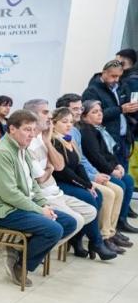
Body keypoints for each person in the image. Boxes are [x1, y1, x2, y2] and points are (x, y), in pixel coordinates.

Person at [0, 110, 78, 286]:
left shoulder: (21, 148)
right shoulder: (1, 153)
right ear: (12, 129)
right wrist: (40, 210)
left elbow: (33, 184)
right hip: (3, 211)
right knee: (54, 230)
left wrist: (44, 204)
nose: (32, 134)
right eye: (27, 129)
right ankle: (21, 265)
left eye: (34, 130)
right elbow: (9, 194)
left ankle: (18, 252)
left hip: (20, 206)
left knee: (69, 222)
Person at [23, 99, 97, 252]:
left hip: (56, 192)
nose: (49, 115)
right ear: (32, 116)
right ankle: (28, 252)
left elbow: (59, 165)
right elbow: (41, 178)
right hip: (44, 196)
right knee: (76, 220)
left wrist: (47, 143)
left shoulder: (42, 139)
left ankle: (36, 247)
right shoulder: (27, 143)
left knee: (91, 212)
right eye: (45, 112)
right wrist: (49, 168)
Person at [50, 108, 118, 260]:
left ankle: (78, 238)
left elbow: (79, 165)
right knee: (88, 198)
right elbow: (64, 172)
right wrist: (84, 185)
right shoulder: (54, 141)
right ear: (54, 123)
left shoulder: (70, 139)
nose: (69, 125)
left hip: (73, 180)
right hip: (59, 182)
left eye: (71, 122)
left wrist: (89, 184)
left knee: (98, 195)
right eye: (64, 122)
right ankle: (96, 242)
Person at [78, 99, 137, 236]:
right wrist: (111, 171)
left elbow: (107, 153)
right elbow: (95, 157)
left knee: (128, 180)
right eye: (94, 112)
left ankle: (117, 223)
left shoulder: (98, 129)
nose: (100, 114)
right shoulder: (86, 131)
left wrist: (117, 165)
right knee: (121, 184)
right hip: (96, 170)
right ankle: (107, 229)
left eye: (100, 111)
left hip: (104, 167)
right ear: (85, 116)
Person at [82, 59, 138, 167]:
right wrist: (121, 109)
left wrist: (132, 107)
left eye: (119, 76)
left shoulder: (121, 86)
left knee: (124, 173)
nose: (116, 79)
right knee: (114, 173)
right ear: (104, 72)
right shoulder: (92, 91)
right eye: (113, 76)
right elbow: (93, 116)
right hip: (106, 139)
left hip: (124, 137)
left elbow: (126, 108)